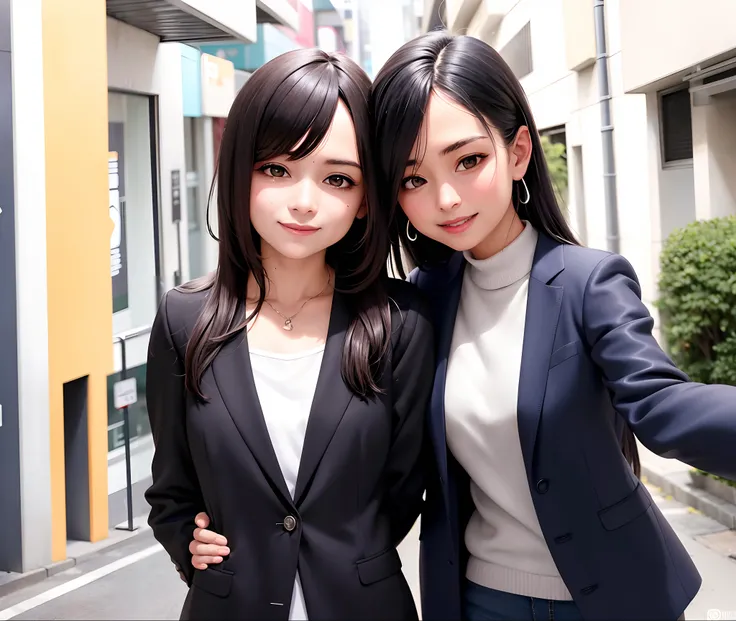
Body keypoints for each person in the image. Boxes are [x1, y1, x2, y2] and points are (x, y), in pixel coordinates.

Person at [367, 31, 736, 621]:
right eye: (413, 179)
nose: (446, 197)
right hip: (479, 601)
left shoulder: (589, 283)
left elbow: (663, 405)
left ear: (517, 153)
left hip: (614, 597)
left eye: (469, 160)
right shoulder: (421, 302)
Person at [144, 48, 434, 621]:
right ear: (239, 173)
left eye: (337, 178)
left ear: (364, 202)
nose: (304, 201)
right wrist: (192, 544)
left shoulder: (401, 323)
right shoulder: (185, 319)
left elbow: (403, 490)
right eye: (276, 169)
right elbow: (171, 492)